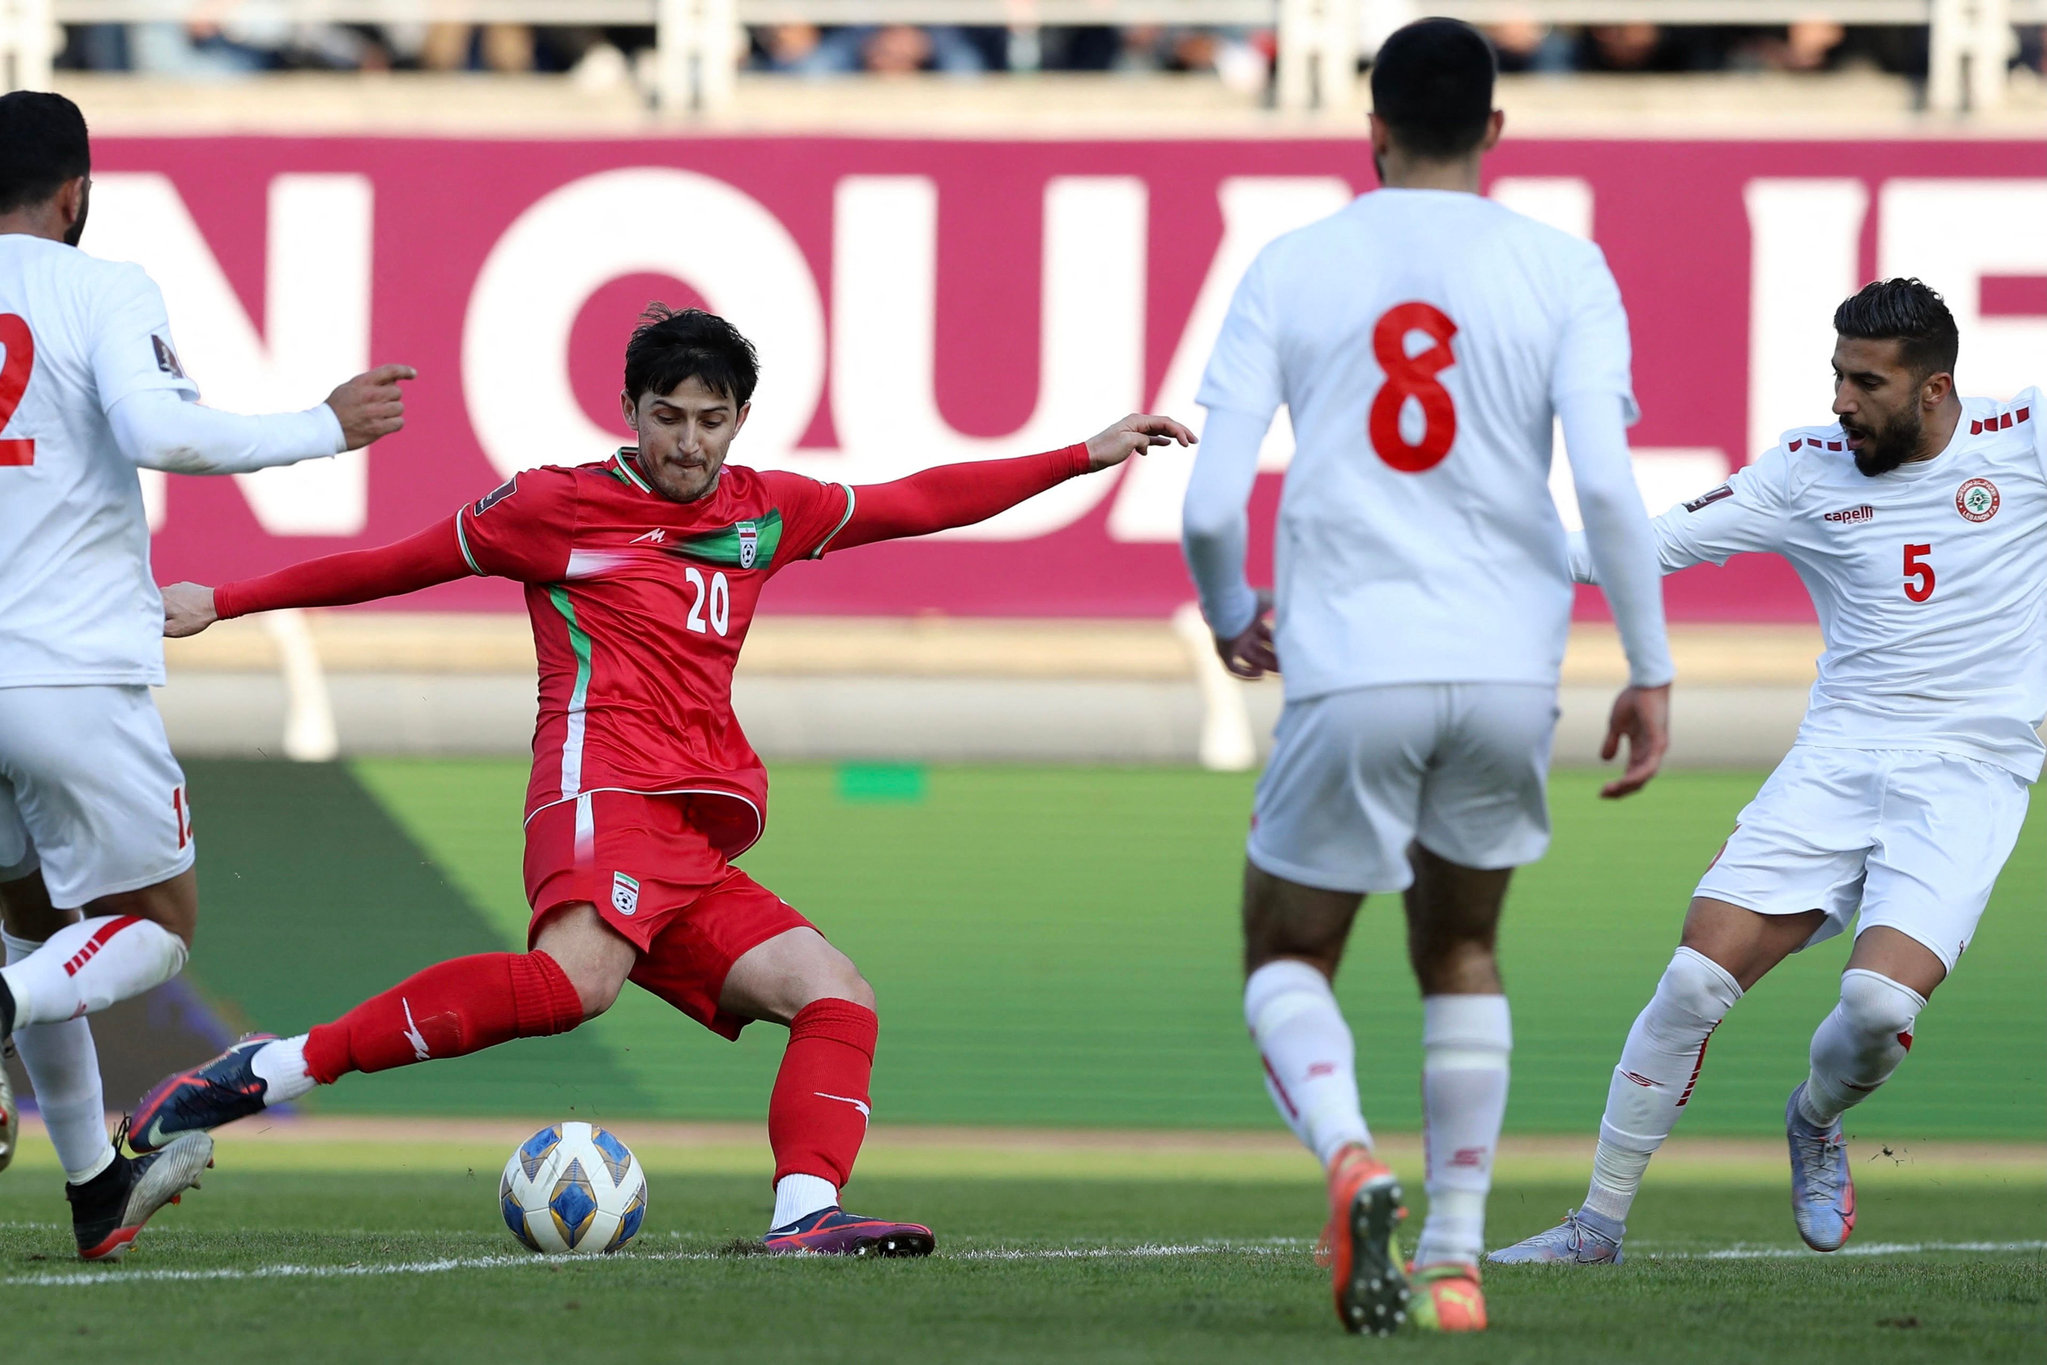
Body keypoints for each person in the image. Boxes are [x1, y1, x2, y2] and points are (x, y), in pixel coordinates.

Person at [127, 305, 1194, 1257]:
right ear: (630, 408)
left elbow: (916, 500)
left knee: (835, 997)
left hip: (687, 833)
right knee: (571, 987)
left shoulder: (768, 510)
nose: (689, 442)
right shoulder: (555, 507)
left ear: (740, 419)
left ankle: (803, 1216)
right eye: (670, 416)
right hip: (600, 793)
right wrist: (224, 598)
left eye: (713, 419)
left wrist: (1081, 454)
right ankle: (267, 1073)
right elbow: (401, 562)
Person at [1180, 18, 1673, 1335]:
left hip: (1352, 665)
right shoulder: (1562, 269)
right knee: (1461, 944)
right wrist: (1647, 664)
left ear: (1370, 126)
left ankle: (1348, 1152)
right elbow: (1612, 492)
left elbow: (1211, 503)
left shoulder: (1293, 265)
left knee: (1284, 950)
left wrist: (1232, 614)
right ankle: (1453, 1263)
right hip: (1508, 670)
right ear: (1495, 132)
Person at [1491, 280, 2043, 1266]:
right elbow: (1646, 545)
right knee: (1692, 981)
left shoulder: (2024, 441)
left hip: (1968, 777)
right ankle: (1595, 1225)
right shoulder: (1805, 468)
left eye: (1864, 382)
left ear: (1933, 390)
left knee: (1876, 1009)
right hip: (1835, 762)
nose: (1839, 399)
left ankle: (1816, 1119)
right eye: (1835, 374)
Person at [0, 90, 413, 1259]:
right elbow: (159, 432)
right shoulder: (103, 285)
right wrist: (321, 426)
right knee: (154, 925)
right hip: (69, 674)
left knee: (40, 929)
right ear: (76, 193)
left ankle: (93, 1188)